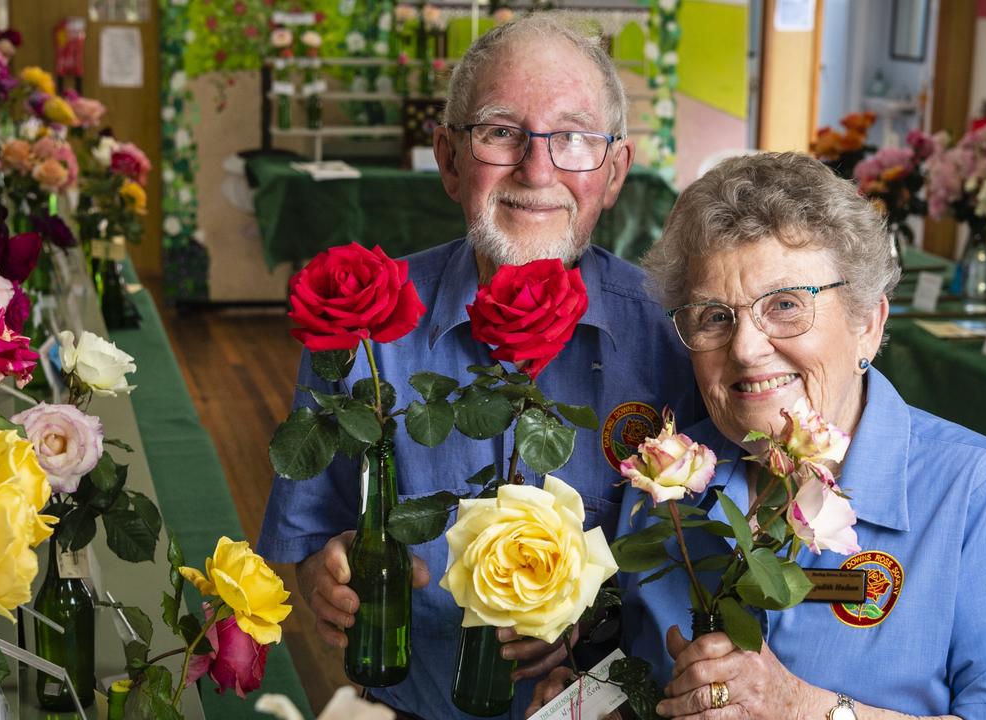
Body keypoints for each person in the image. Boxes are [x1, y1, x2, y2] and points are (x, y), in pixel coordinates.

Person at [256, 14, 706, 720]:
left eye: (575, 138)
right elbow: (311, 530)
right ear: (447, 157)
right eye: (501, 131)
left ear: (614, 172)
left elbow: (700, 588)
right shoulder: (361, 322)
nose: (537, 169)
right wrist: (330, 573)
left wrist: (598, 652)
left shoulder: (677, 341)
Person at [527, 152, 986, 719]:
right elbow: (645, 673)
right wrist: (587, 701)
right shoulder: (666, 477)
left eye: (786, 306)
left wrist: (797, 708)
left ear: (869, 322)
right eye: (715, 317)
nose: (745, 349)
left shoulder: (974, 492)